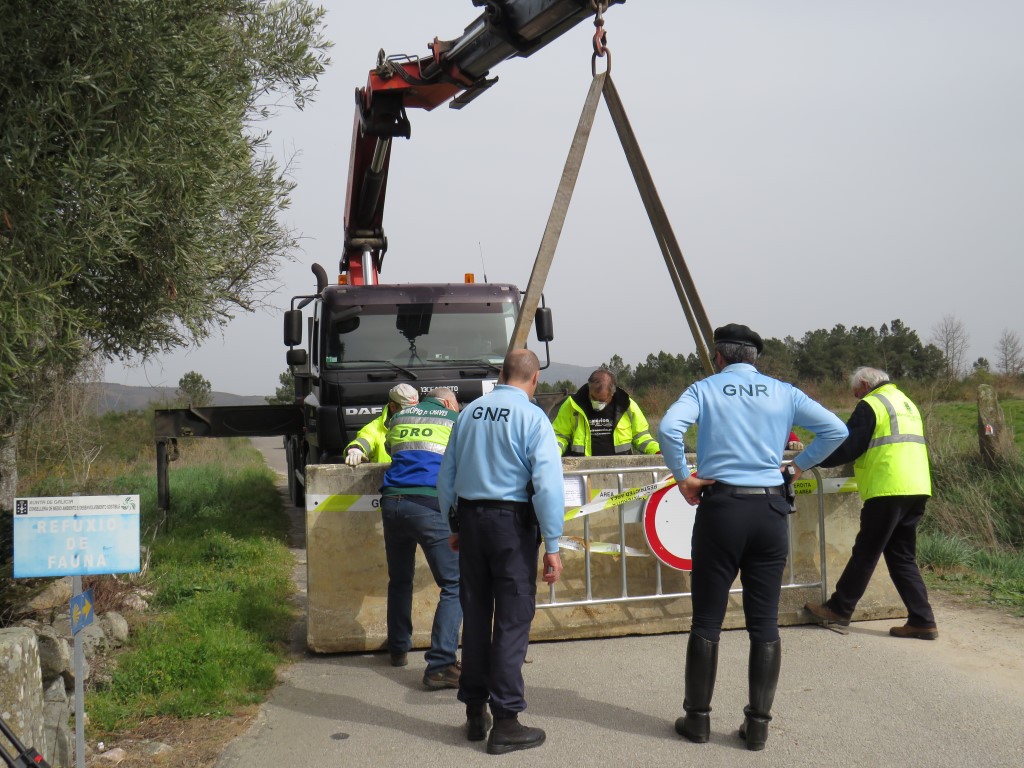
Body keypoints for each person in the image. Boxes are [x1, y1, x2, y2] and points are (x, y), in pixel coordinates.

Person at [658, 323, 848, 751]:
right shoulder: (784, 392)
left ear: (719, 357)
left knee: (707, 618)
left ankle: (698, 720)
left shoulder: (704, 389)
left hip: (721, 510)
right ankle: (758, 725)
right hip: (769, 511)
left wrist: (685, 479)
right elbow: (836, 430)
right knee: (764, 623)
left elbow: (669, 429)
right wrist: (797, 467)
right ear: (755, 359)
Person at [437, 349, 564, 755]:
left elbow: (447, 476)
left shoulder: (469, 414)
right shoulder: (533, 418)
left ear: (502, 374)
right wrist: (553, 545)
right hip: (511, 527)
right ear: (534, 379)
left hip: (472, 522)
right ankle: (506, 721)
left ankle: (475, 712)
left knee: (475, 614)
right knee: (512, 619)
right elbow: (547, 485)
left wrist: (454, 525)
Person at [804, 367, 938, 640]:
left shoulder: (872, 404)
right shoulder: (906, 403)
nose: (857, 398)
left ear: (865, 384)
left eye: (856, 393)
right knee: (902, 557)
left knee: (866, 551)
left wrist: (811, 458)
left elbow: (849, 446)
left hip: (887, 487)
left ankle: (840, 608)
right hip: (917, 487)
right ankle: (922, 620)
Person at [379, 387, 462, 689]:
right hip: (428, 504)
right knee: (454, 583)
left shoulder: (399, 416)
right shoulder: (455, 418)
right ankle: (440, 665)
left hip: (392, 502)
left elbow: (390, 449)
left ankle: (399, 648)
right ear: (449, 402)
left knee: (400, 579)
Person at [551, 369, 659, 456]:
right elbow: (560, 436)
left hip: (620, 471)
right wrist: (553, 453)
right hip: (583, 472)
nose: (596, 402)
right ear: (589, 388)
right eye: (593, 397)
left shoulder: (626, 405)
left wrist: (658, 451)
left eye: (602, 400)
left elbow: (641, 437)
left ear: (612, 393)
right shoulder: (572, 405)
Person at [345, 383, 419, 465]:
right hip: (383, 477)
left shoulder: (424, 423)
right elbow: (364, 440)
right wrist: (356, 449)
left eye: (415, 409)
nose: (413, 413)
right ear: (392, 407)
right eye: (407, 410)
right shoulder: (374, 428)